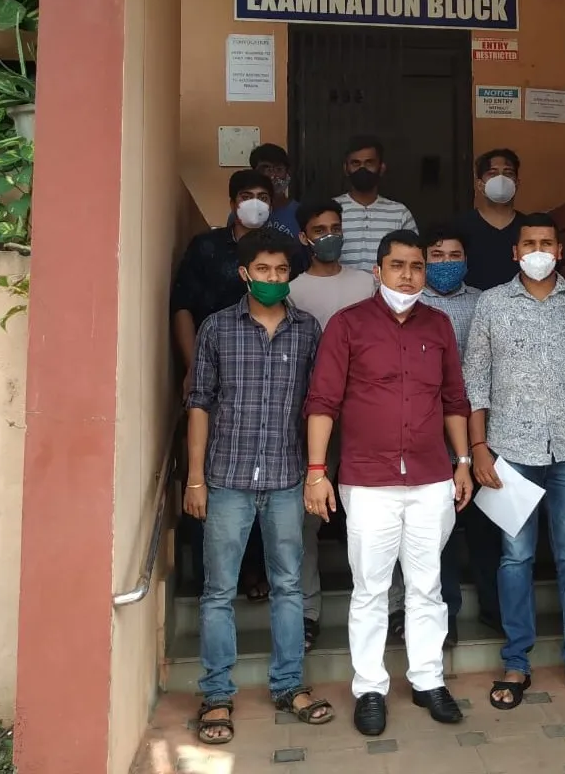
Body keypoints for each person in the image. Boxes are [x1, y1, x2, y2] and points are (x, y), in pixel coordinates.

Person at [304, 230, 472, 737]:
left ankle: (428, 680)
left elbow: (454, 400)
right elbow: (322, 402)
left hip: (430, 478)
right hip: (368, 481)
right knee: (371, 589)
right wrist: (317, 471)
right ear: (377, 271)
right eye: (397, 265)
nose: (408, 275)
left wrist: (463, 461)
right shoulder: (347, 324)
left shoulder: (439, 325)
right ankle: (370, 688)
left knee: (427, 587)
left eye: (417, 266)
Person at [184, 228, 333, 745]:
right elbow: (199, 403)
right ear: (244, 273)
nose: (273, 278)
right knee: (218, 591)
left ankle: (289, 685)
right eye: (263, 270)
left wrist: (317, 472)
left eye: (281, 270)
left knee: (288, 586)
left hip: (287, 478)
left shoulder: (308, 330)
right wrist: (195, 478)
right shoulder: (216, 328)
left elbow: (319, 406)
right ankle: (216, 694)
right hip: (226, 478)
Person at [462, 212, 565, 712]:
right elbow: (476, 382)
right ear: (515, 252)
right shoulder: (491, 304)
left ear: (560, 250)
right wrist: (478, 448)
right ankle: (516, 661)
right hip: (509, 452)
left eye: (547, 242)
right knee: (515, 558)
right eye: (530, 244)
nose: (539, 251)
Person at [172, 169, 286, 602]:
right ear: (233, 201)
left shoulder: (279, 248)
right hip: (214, 373)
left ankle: (255, 569)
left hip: (264, 378)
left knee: (263, 475)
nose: (255, 202)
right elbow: (183, 306)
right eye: (247, 195)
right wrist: (191, 366)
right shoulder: (207, 247)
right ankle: (215, 574)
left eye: (263, 196)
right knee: (212, 473)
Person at [287, 199, 377, 651]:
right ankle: (307, 612)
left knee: (376, 514)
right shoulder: (292, 288)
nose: (330, 236)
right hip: (313, 415)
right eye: (319, 229)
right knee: (308, 518)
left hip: (366, 414)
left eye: (335, 227)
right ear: (304, 237)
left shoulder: (366, 283)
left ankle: (390, 606)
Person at [411, 224, 501, 646]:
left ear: (466, 259)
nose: (445, 263)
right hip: (430, 434)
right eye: (437, 256)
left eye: (454, 255)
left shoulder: (485, 302)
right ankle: (443, 617)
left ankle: (494, 608)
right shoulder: (411, 303)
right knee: (438, 534)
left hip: (481, 431)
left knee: (486, 528)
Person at [335, 135, 417, 271]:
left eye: (369, 163)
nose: (362, 169)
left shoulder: (400, 213)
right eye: (355, 163)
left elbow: (413, 259)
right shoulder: (331, 211)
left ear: (381, 167)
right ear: (346, 168)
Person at [456, 149, 524, 291]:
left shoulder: (528, 228)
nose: (501, 179)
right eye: (492, 174)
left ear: (517, 183)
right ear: (480, 185)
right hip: (473, 302)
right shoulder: (460, 227)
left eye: (508, 173)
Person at [226, 143, 302, 239]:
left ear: (288, 174)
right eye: (265, 169)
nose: (272, 176)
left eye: (279, 169)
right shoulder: (240, 213)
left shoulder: (300, 214)